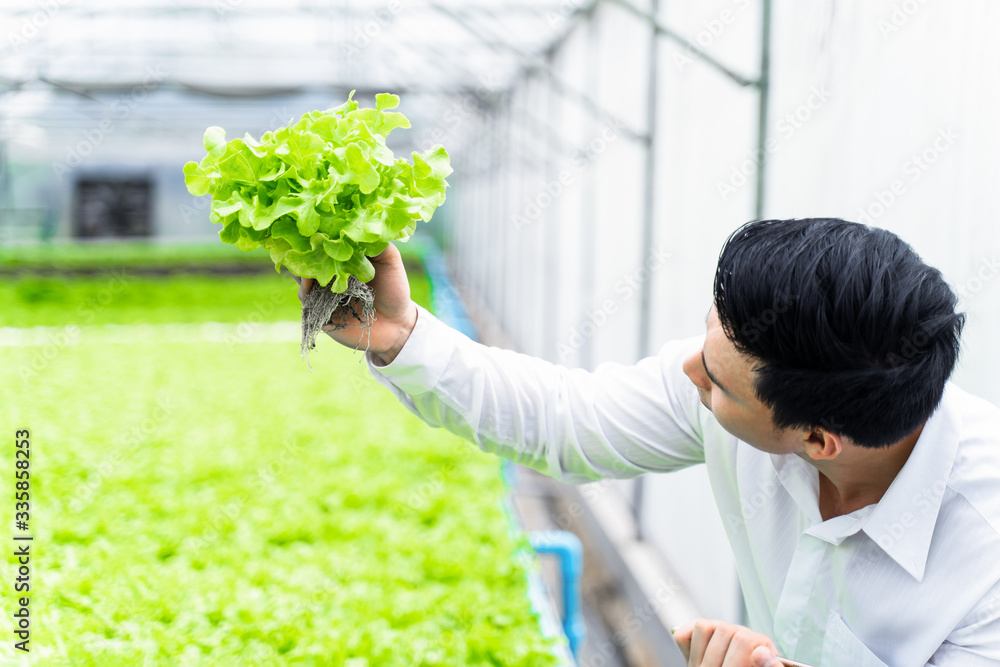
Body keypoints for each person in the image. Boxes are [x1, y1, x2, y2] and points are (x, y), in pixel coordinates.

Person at [293, 218, 1000, 666]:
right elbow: (565, 418)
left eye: (718, 382)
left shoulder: (984, 563)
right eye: (705, 334)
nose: (688, 369)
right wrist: (401, 334)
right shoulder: (735, 381)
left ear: (818, 438)